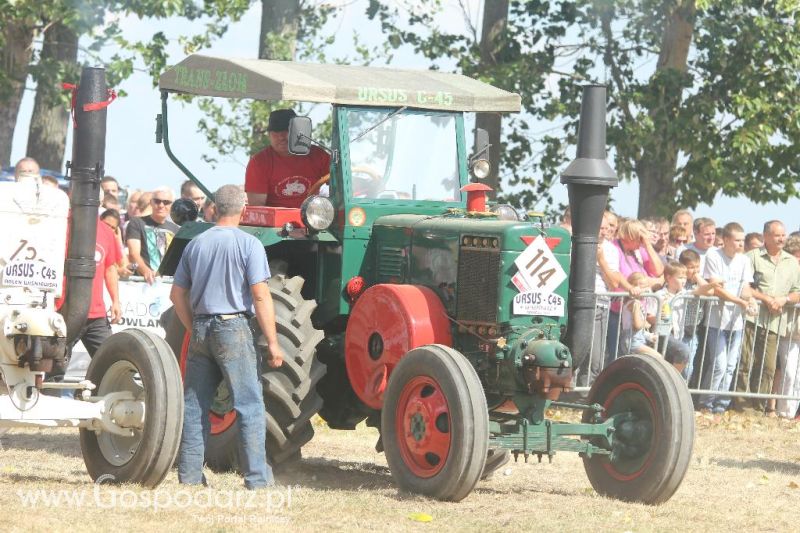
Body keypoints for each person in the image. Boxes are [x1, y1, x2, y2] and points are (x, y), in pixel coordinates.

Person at [170, 184, 285, 489]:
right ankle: (257, 478)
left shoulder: (195, 243)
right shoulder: (249, 245)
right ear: (243, 210)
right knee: (249, 403)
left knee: (195, 405)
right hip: (232, 327)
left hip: (202, 328)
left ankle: (191, 476)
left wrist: (192, 324)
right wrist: (273, 342)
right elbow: (260, 297)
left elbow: (176, 293)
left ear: (214, 209)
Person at [734, 220, 800, 413]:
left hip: (776, 323)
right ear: (766, 237)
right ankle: (742, 407)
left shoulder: (791, 262)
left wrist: (783, 299)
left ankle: (759, 407)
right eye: (777, 235)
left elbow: (798, 291)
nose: (781, 239)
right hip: (753, 318)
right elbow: (745, 287)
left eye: (783, 235)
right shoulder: (752, 257)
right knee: (747, 363)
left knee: (769, 367)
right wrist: (767, 299)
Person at [698, 222, 753, 414]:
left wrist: (749, 300)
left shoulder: (744, 260)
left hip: (736, 322)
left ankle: (720, 406)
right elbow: (716, 288)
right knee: (719, 365)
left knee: (730, 366)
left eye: (742, 240)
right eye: (737, 240)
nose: (740, 243)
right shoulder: (714, 255)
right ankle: (706, 403)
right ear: (727, 240)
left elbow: (745, 287)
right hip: (716, 320)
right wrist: (741, 302)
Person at [244, 109, 331, 208]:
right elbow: (257, 207)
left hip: (312, 219)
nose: (281, 137)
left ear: (298, 133)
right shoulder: (259, 162)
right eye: (276, 132)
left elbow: (340, 184)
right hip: (274, 223)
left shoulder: (318, 156)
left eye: (286, 130)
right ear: (269, 135)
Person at [126, 186, 179, 284]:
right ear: (151, 202)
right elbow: (133, 254)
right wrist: (146, 271)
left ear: (172, 205)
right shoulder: (136, 223)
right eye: (157, 201)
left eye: (166, 202)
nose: (161, 205)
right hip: (142, 283)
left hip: (167, 284)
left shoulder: (176, 229)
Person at [776, 235, 800, 419]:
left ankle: (791, 413)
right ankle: (783, 411)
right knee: (789, 373)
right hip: (788, 331)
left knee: (798, 377)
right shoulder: (785, 274)